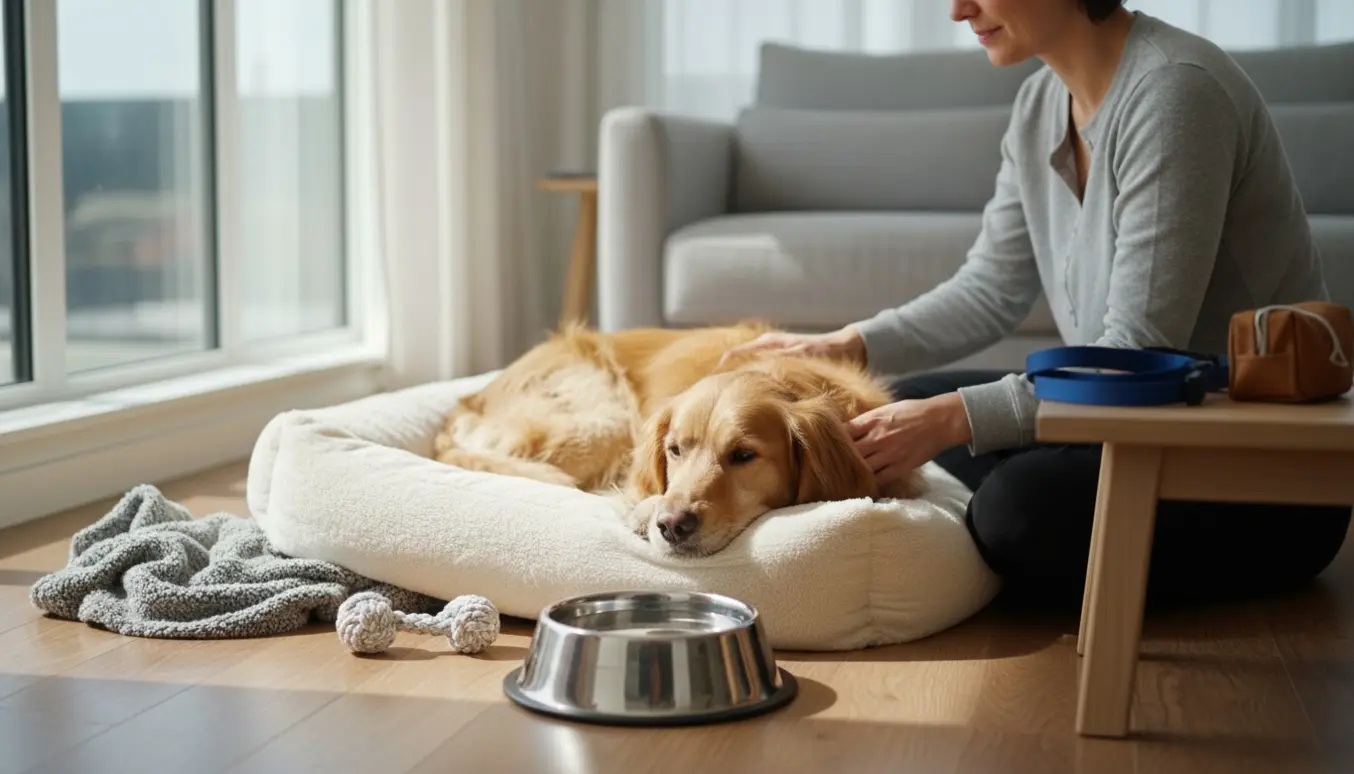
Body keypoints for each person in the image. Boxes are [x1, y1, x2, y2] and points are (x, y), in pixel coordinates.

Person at [723, 0, 1350, 605]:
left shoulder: (1175, 92)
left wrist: (954, 419)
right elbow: (990, 290)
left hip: (1247, 466)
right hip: (1126, 424)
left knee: (1011, 510)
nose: (959, 10)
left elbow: (1137, 353)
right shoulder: (1040, 104)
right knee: (906, 403)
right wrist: (845, 344)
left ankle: (1003, 538)